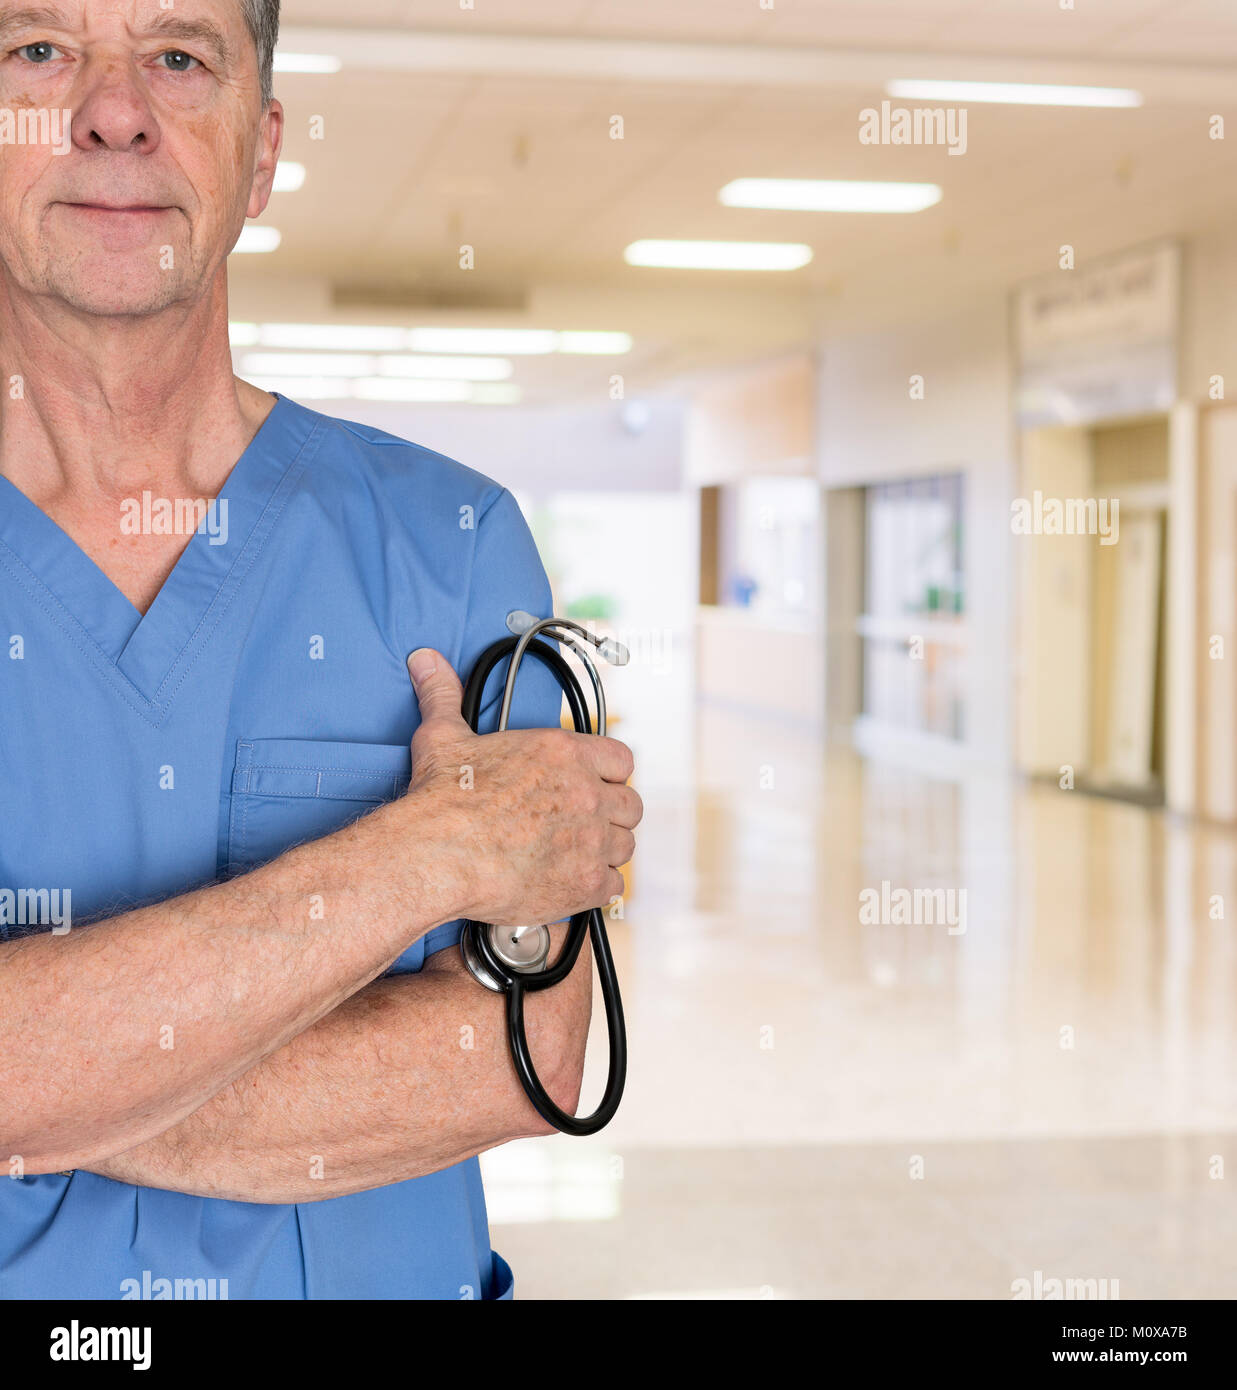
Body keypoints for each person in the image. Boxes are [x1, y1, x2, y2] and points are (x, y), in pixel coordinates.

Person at [0, 0, 642, 1300]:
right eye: (39, 50)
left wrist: (49, 1081)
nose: (114, 112)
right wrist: (430, 852)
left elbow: (529, 1056)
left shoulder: (452, 541)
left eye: (180, 57)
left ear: (262, 153)